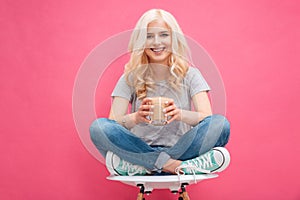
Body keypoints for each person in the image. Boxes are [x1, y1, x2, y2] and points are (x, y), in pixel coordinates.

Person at [90, 9, 230, 176]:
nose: (156, 42)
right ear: (141, 41)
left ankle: (146, 166)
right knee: (99, 128)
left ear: (173, 38)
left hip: (181, 149)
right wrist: (135, 118)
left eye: (164, 35)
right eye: (149, 36)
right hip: (138, 148)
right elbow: (113, 124)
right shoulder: (130, 77)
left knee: (220, 124)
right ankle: (176, 166)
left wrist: (179, 114)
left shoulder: (191, 74)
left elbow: (206, 117)